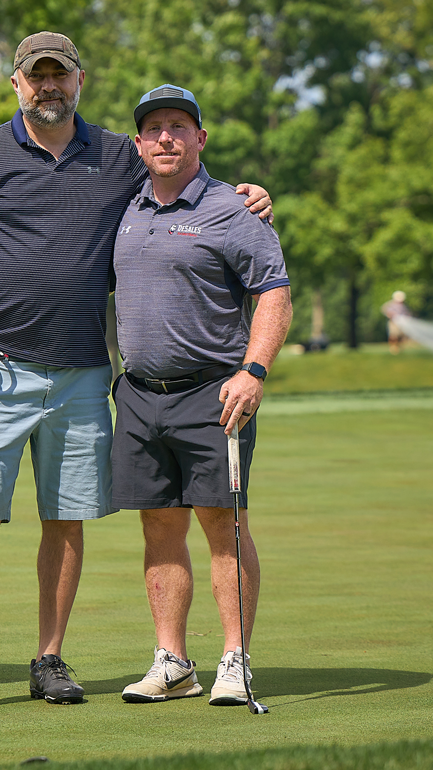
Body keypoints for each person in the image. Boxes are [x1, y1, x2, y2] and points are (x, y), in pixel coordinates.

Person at [0, 32, 274, 716]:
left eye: (59, 76)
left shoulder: (117, 153)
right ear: (17, 85)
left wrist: (248, 196)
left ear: (78, 82)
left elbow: (181, 172)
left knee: (65, 518)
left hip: (85, 372)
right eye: (36, 77)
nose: (47, 86)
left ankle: (48, 657)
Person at [111, 84, 292, 706]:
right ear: (138, 143)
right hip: (137, 393)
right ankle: (173, 662)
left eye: (178, 127)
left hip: (216, 393)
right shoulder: (124, 204)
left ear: (199, 138)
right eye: (154, 128)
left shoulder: (234, 209)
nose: (166, 138)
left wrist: (256, 370)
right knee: (159, 528)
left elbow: (273, 290)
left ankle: (234, 659)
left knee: (224, 525)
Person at [381, 290, 412, 354]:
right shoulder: (391, 304)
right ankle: (393, 348)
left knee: (401, 336)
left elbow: (407, 313)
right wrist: (390, 315)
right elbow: (385, 310)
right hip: (394, 322)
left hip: (402, 323)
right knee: (393, 335)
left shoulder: (404, 306)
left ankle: (399, 348)